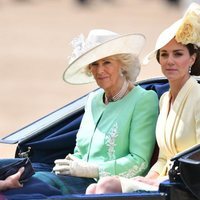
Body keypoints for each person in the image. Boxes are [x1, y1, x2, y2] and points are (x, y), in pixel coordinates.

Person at [85, 2, 200, 194]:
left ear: (192, 59)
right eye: (164, 55)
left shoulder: (198, 96)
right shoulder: (164, 100)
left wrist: (160, 181)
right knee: (92, 189)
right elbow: (164, 158)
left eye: (178, 54)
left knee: (106, 186)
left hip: (188, 186)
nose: (170, 60)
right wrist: (147, 179)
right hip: (164, 183)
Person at [33, 29, 159, 194]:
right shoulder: (93, 99)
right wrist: (68, 165)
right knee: (28, 177)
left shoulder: (143, 99)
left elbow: (139, 163)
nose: (100, 71)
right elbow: (81, 151)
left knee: (36, 185)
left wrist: (92, 170)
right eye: (94, 64)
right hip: (76, 181)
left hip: (108, 188)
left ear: (122, 64)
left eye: (107, 62)